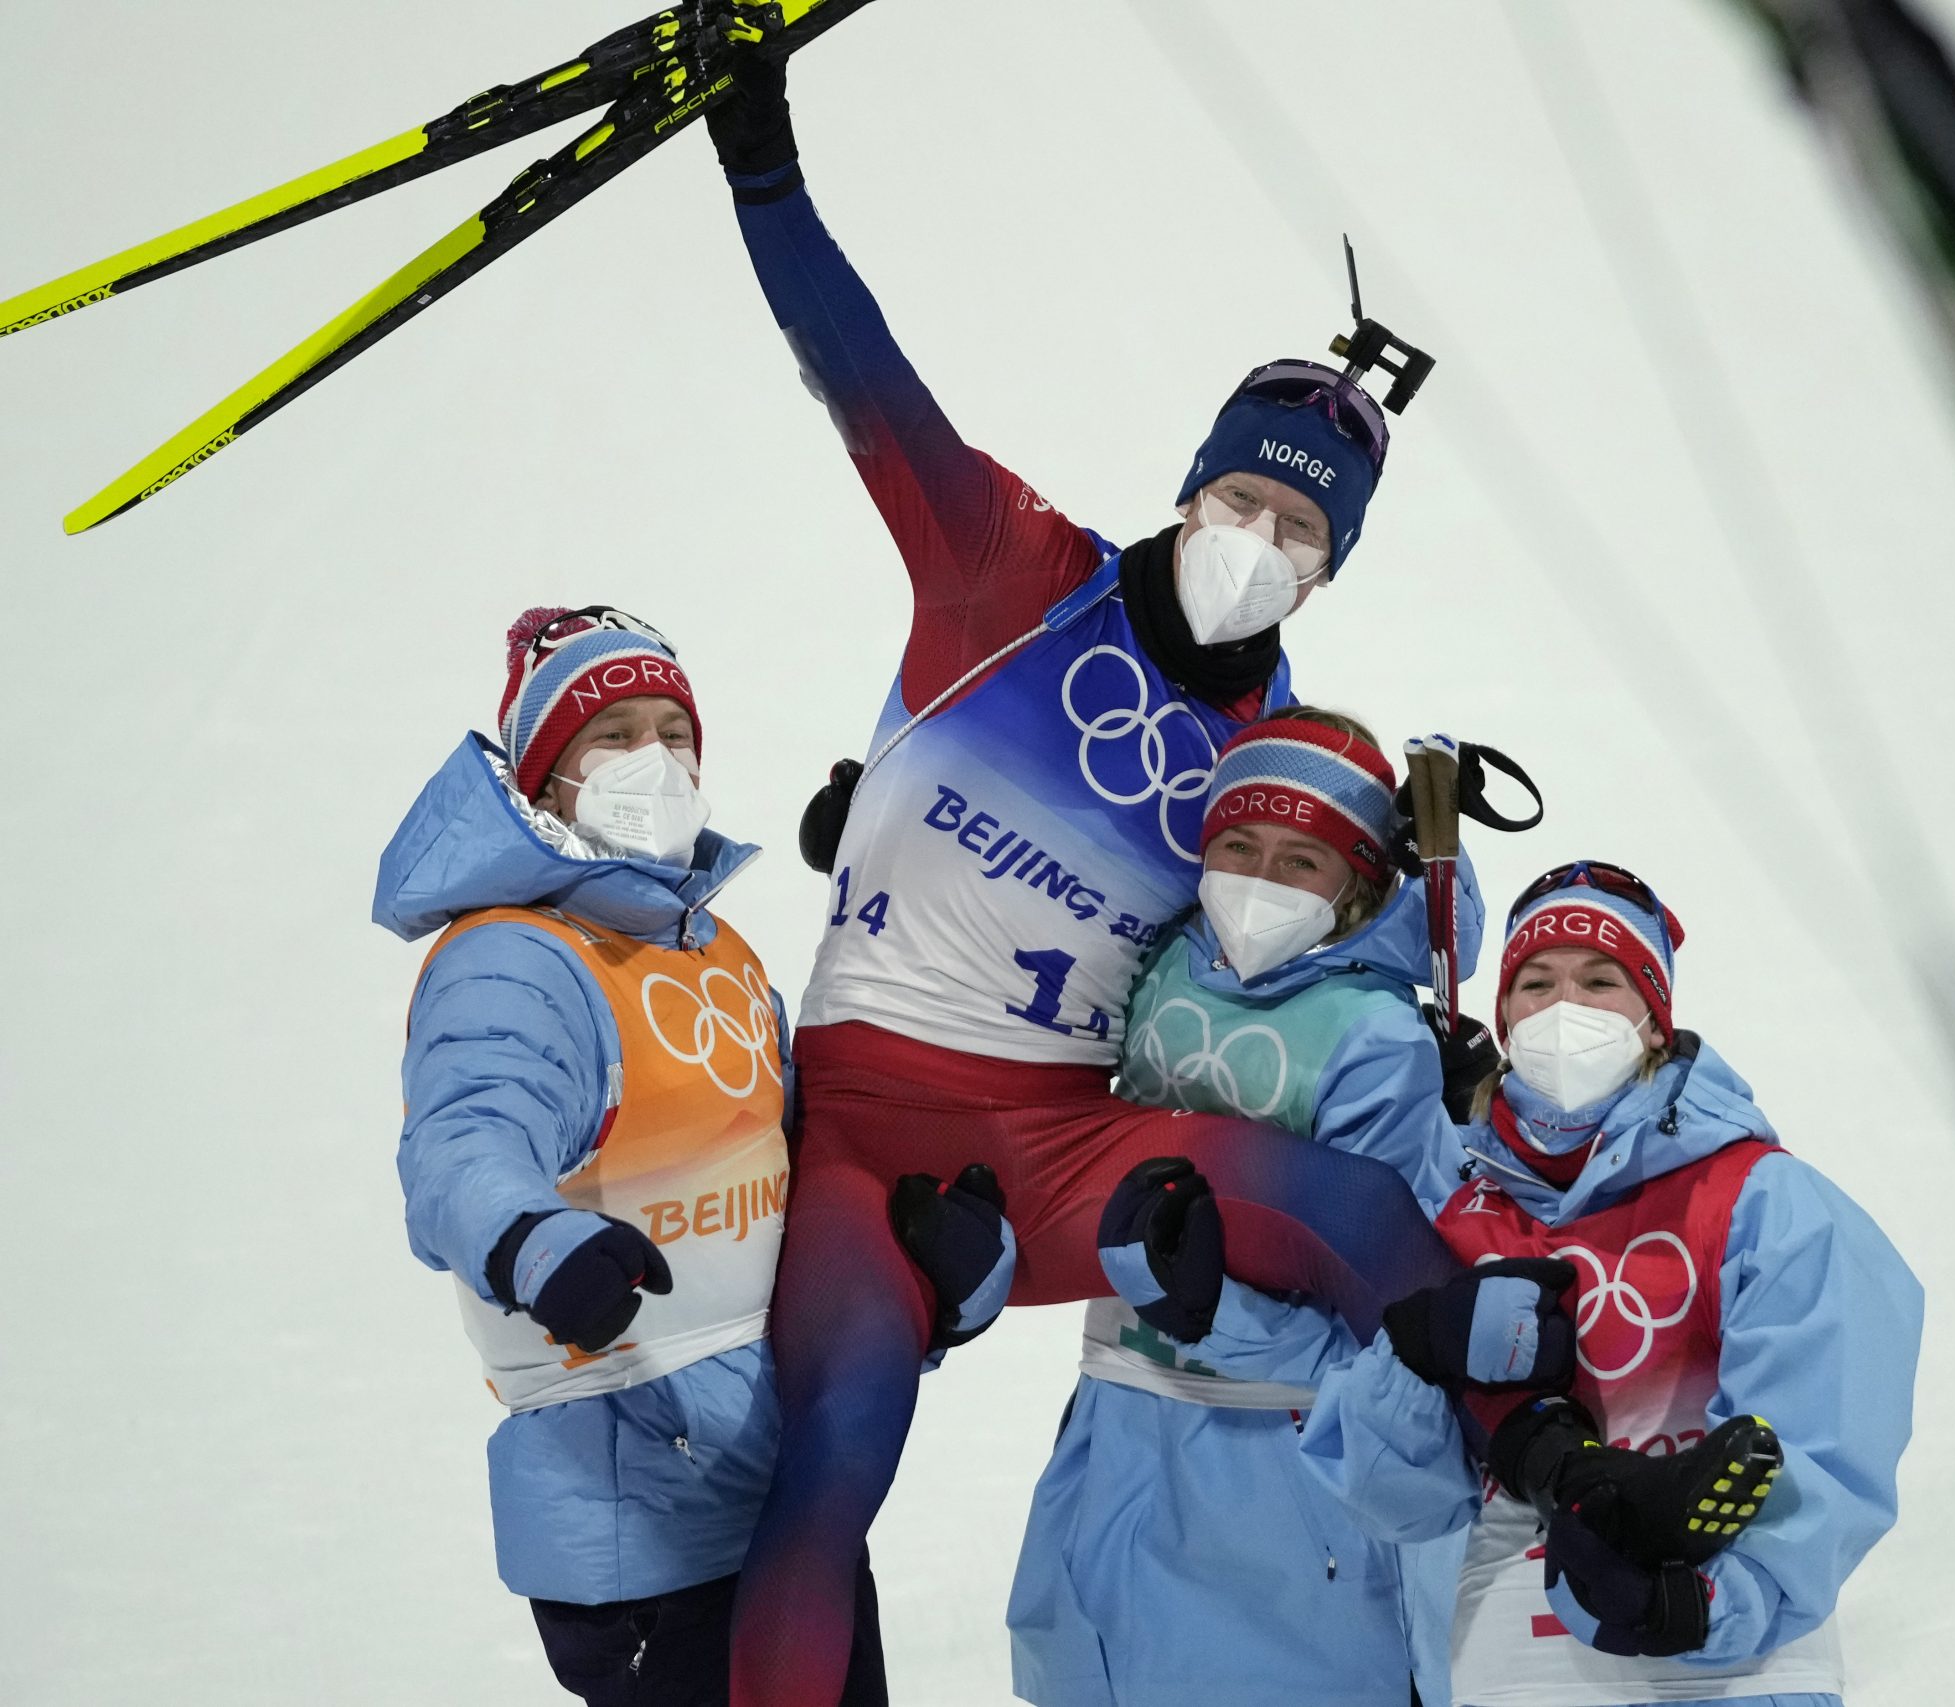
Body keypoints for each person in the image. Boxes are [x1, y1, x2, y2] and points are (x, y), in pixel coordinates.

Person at [699, 44, 1531, 1707]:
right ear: (1189, 481)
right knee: (837, 1453)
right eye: (1240, 500)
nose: (1259, 548)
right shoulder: (1009, 563)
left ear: (1333, 566)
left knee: (1353, 1214)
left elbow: (1348, 925)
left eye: (1302, 539)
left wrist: (1447, 959)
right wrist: (761, 161)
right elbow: (856, 370)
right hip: (864, 1128)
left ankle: (1559, 1485)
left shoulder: (1287, 740)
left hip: (1058, 1140)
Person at [376, 606, 1013, 1705]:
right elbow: (462, 1143)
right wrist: (534, 1241)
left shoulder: (713, 951)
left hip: (785, 1492)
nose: (654, 761)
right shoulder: (516, 961)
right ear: (545, 778)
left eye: (673, 732)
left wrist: (915, 1276)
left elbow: (796, 1180)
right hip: (644, 1528)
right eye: (612, 736)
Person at [1114, 860, 1925, 1706]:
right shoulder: (1443, 1205)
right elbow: (1392, 1493)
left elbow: (1822, 1441)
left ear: (1654, 1020)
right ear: (1503, 1017)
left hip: (1730, 1668)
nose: (1564, 1005)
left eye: (1601, 980)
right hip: (1508, 1662)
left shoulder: (1762, 1198)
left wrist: (1703, 1603)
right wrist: (1415, 1348)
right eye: (1536, 982)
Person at [1007, 710, 1503, 1707]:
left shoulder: (1374, 1041)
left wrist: (1211, 1312)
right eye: (1237, 845)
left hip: (1284, 1485)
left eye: (1299, 860)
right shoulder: (1155, 969)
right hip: (1119, 1431)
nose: (1259, 880)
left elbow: (1389, 1340)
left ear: (1358, 882)